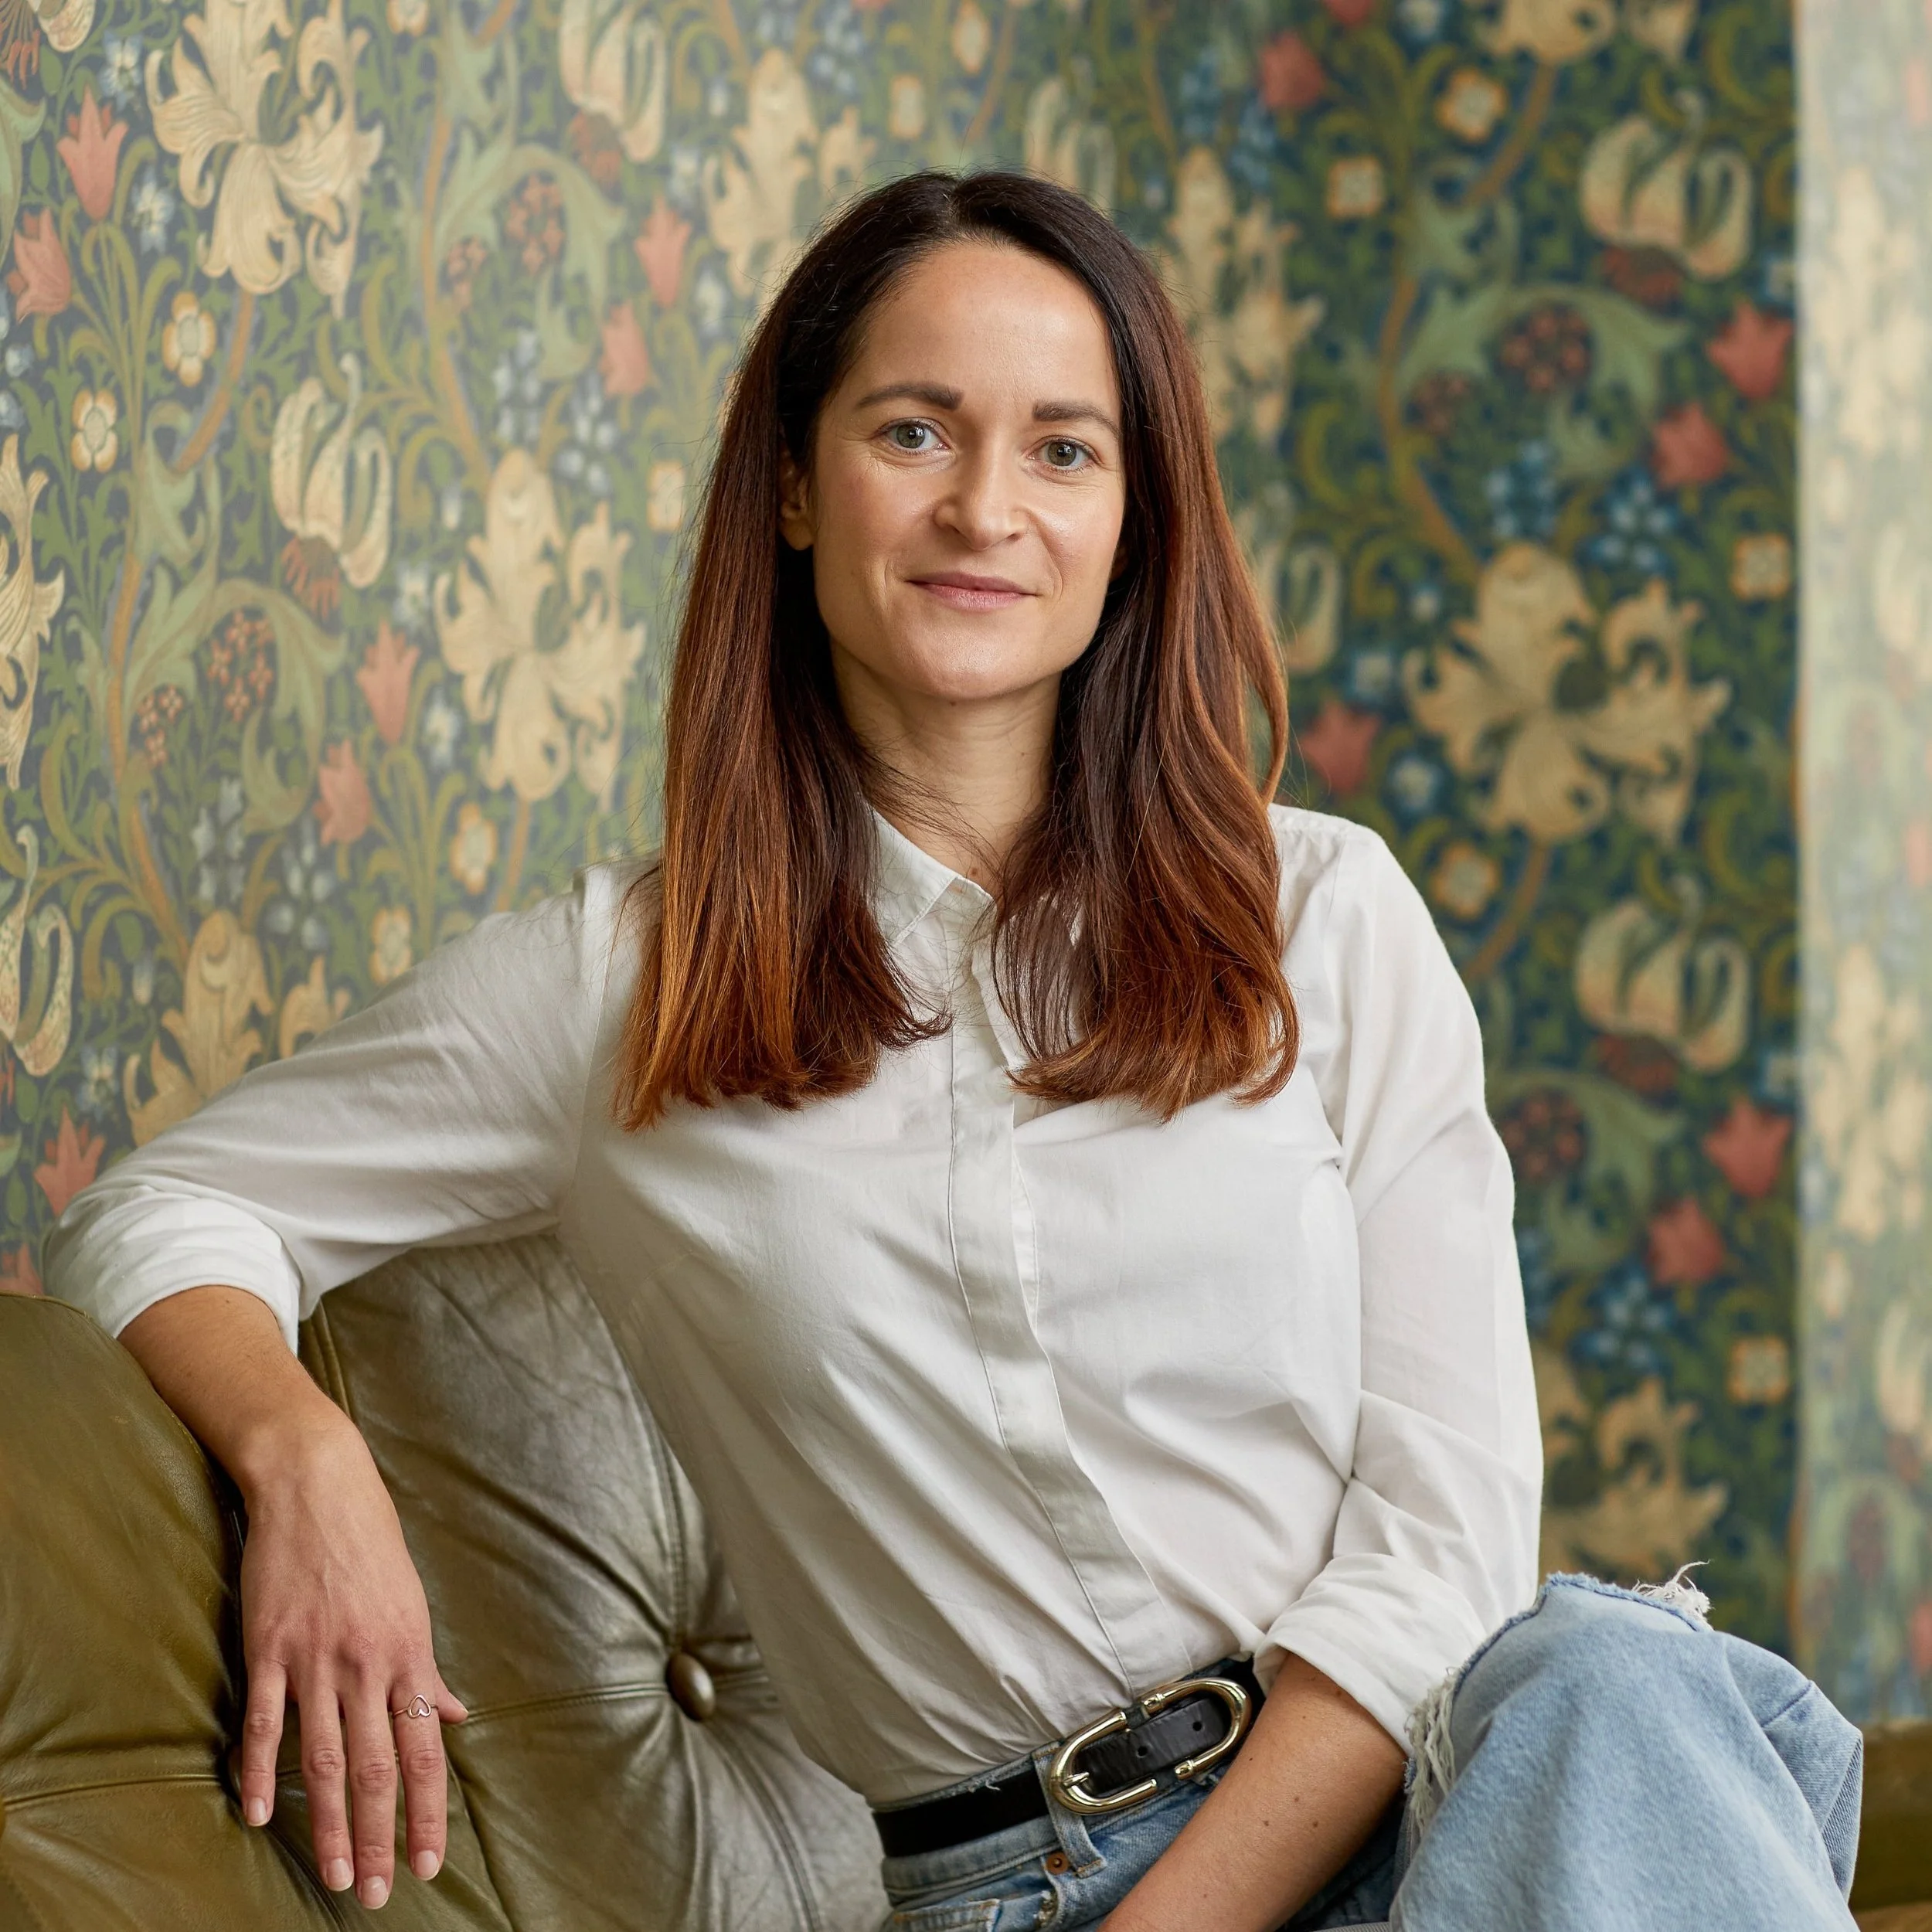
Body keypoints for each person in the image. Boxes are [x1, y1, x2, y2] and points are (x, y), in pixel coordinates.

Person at [48, 171, 1862, 1932]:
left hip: (1443, 1800)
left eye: (1063, 448)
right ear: (791, 485)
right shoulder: (616, 988)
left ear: (1130, 521)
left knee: (1615, 1673)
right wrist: (304, 1458)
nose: (985, 504)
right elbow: (172, 1203)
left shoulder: (1321, 918)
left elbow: (1442, 1539)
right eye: (914, 430)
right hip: (1019, 1887)